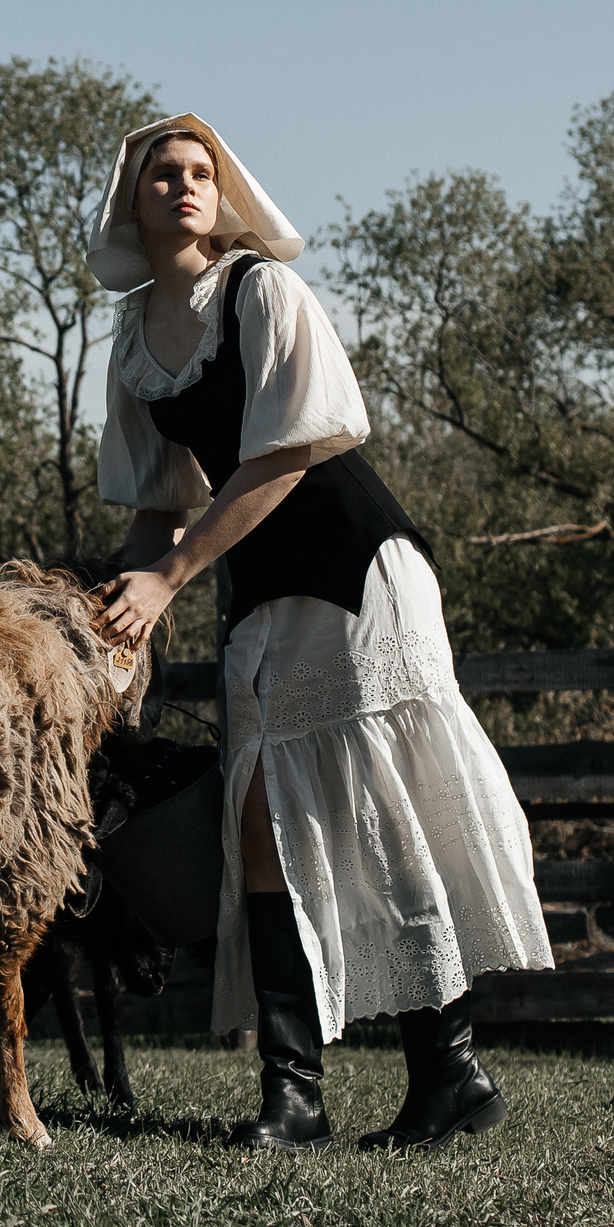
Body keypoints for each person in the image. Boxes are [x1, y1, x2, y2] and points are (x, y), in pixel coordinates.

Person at [86, 114, 550, 1153]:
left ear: (224, 189)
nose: (185, 188)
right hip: (252, 580)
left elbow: (289, 454)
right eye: (163, 175)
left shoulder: (260, 291)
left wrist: (169, 576)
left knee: (383, 816)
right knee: (257, 821)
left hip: (355, 569)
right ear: (130, 199)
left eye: (202, 172)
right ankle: (291, 1097)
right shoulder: (132, 336)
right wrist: (108, 624)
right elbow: (155, 506)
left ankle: (451, 1075)